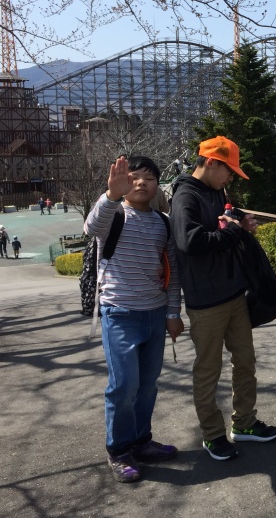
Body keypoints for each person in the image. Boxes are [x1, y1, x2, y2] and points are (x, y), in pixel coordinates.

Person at [170, 135, 276, 462]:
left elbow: (226, 216)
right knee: (208, 370)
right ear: (210, 162)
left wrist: (240, 220)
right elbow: (189, 241)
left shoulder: (216, 191)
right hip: (205, 301)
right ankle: (212, 434)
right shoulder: (185, 196)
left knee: (245, 361)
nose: (230, 177)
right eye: (229, 170)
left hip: (234, 292)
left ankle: (244, 422)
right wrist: (234, 230)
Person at [84, 155, 184, 483]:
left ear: (157, 185)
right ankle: (118, 450)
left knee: (147, 385)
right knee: (124, 385)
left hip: (155, 314)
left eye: (149, 178)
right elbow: (90, 228)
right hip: (119, 314)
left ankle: (141, 441)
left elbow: (172, 272)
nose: (141, 183)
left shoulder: (163, 223)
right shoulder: (113, 213)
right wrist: (111, 195)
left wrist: (173, 313)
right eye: (134, 177)